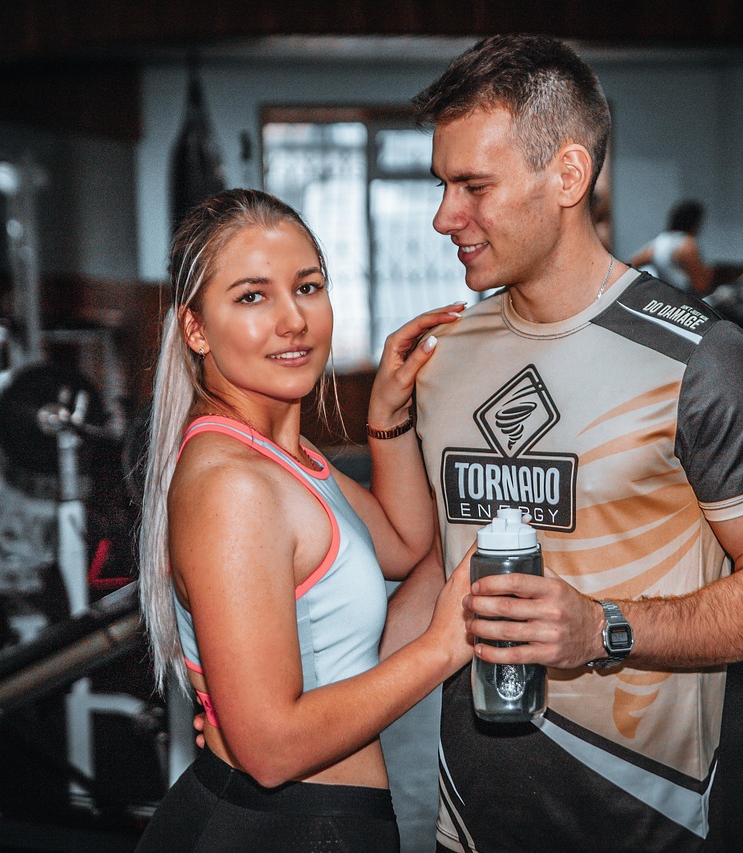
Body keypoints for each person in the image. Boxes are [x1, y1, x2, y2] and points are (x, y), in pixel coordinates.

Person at [391, 33, 743, 851]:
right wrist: (312, 712)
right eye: (443, 185)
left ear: (568, 175)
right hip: (468, 822)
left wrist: (602, 630)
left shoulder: (702, 359)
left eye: (473, 185)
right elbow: (436, 563)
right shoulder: (446, 355)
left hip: (642, 820)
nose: (446, 216)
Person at [135, 188, 473, 852]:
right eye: (253, 296)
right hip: (278, 827)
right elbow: (270, 748)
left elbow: (407, 547)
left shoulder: (287, 459)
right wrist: (443, 647)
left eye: (308, 286)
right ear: (195, 329)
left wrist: (387, 415)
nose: (293, 319)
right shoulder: (235, 483)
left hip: (317, 822)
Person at [627, 198, 714, 296]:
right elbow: (701, 285)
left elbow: (629, 266)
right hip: (684, 299)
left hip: (664, 298)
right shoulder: (687, 245)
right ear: (695, 223)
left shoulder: (658, 242)